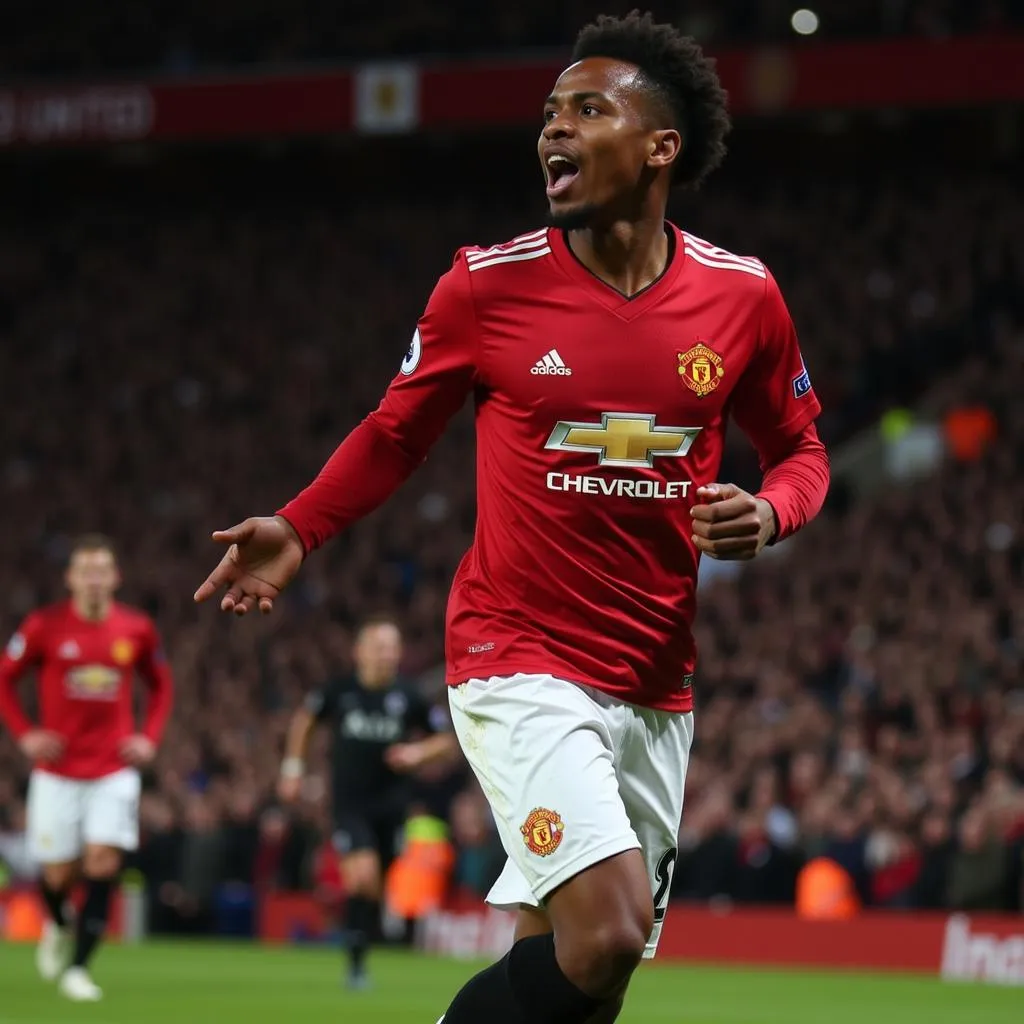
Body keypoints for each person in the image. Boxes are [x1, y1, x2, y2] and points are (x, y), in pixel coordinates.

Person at [195, 12, 829, 1022]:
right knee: (609, 929)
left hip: (657, 680)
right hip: (515, 653)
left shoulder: (742, 299)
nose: (553, 132)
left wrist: (771, 510)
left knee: (589, 974)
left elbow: (801, 450)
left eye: (587, 110)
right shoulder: (485, 287)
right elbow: (396, 433)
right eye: (548, 115)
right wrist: (300, 525)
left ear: (660, 146)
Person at [0, 535, 173, 1002]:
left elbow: (160, 686)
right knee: (57, 876)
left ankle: (79, 968)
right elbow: (4, 678)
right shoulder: (44, 626)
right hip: (56, 771)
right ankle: (57, 922)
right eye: (86, 571)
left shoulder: (136, 629)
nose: (94, 579)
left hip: (113, 769)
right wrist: (25, 733)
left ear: (115, 578)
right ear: (71, 578)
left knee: (103, 861)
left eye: (102, 571)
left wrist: (149, 737)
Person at [277, 614, 457, 989]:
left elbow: (444, 740)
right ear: (359, 652)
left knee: (373, 885)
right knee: (361, 875)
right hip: (349, 804)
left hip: (393, 805)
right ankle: (356, 964)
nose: (386, 655)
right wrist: (293, 768)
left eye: (392, 648)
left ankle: (358, 951)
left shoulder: (409, 696)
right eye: (379, 647)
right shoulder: (339, 691)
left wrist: (415, 753)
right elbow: (304, 721)